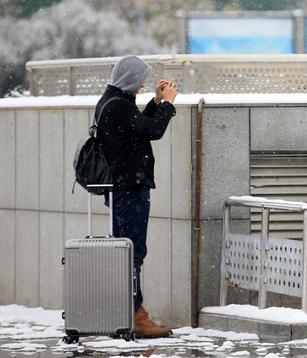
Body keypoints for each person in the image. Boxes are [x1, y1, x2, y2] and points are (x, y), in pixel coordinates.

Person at [96, 55, 177, 339]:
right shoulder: (118, 106)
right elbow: (152, 130)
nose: (143, 83)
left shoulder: (112, 101)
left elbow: (137, 126)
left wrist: (156, 104)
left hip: (122, 187)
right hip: (129, 187)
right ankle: (135, 315)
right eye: (141, 78)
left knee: (125, 253)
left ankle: (126, 312)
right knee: (132, 253)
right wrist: (167, 105)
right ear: (129, 78)